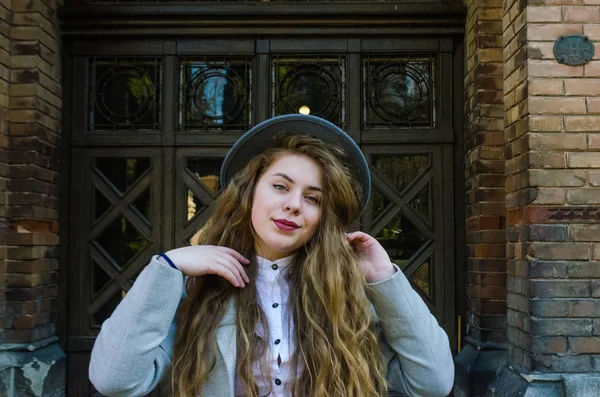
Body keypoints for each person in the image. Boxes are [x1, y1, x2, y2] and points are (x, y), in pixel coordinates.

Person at [89, 114, 454, 397]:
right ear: (250, 192)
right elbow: (114, 381)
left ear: (322, 217)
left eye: (312, 198)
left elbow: (433, 383)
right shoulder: (193, 288)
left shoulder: (350, 294)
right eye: (280, 186)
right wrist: (167, 267)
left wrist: (384, 277)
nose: (293, 205)